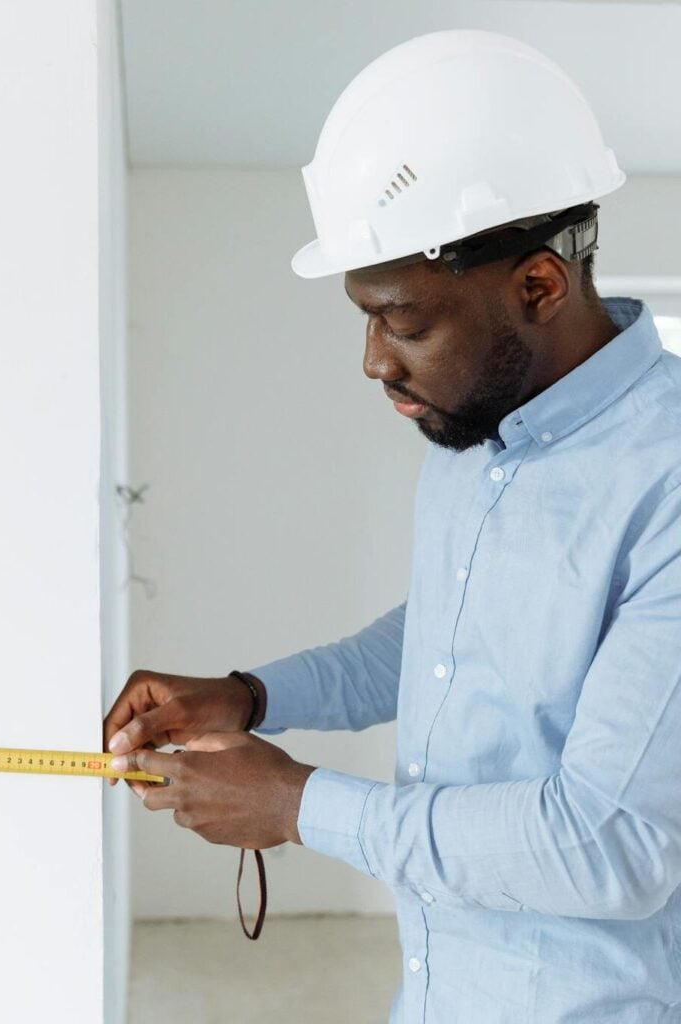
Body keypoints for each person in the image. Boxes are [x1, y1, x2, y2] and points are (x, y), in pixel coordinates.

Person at [102, 29, 681, 1024]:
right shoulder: (477, 436)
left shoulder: (664, 477)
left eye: (404, 321)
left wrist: (294, 804)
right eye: (363, 317)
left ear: (536, 285)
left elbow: (612, 843)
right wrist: (254, 695)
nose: (373, 360)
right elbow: (451, 638)